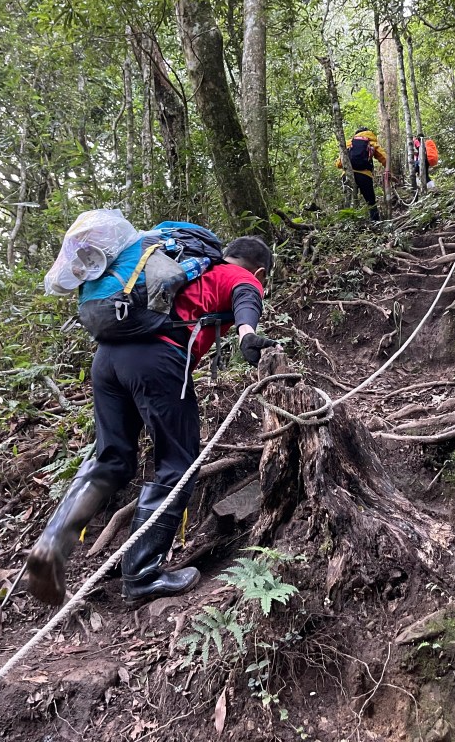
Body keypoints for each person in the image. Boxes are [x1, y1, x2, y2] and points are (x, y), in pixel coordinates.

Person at [26, 235, 277, 605]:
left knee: (112, 459)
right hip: (157, 359)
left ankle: (51, 544)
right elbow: (246, 298)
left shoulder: (185, 269)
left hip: (107, 359)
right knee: (178, 463)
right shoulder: (238, 276)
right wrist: (248, 335)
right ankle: (142, 575)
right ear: (260, 271)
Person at [336, 127, 387, 221]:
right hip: (364, 175)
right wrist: (388, 169)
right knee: (371, 201)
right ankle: (375, 222)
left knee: (348, 201)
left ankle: (348, 222)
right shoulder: (371, 142)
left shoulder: (349, 142)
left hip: (347, 174)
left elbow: (339, 163)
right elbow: (384, 158)